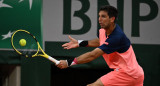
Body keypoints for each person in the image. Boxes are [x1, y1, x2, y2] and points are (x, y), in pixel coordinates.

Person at [57, 5, 144, 86]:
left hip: (128, 73)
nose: (99, 19)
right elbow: (101, 41)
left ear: (112, 19)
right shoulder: (104, 31)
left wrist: (68, 63)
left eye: (103, 16)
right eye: (99, 16)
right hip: (136, 74)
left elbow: (92, 55)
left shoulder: (116, 37)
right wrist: (80, 43)